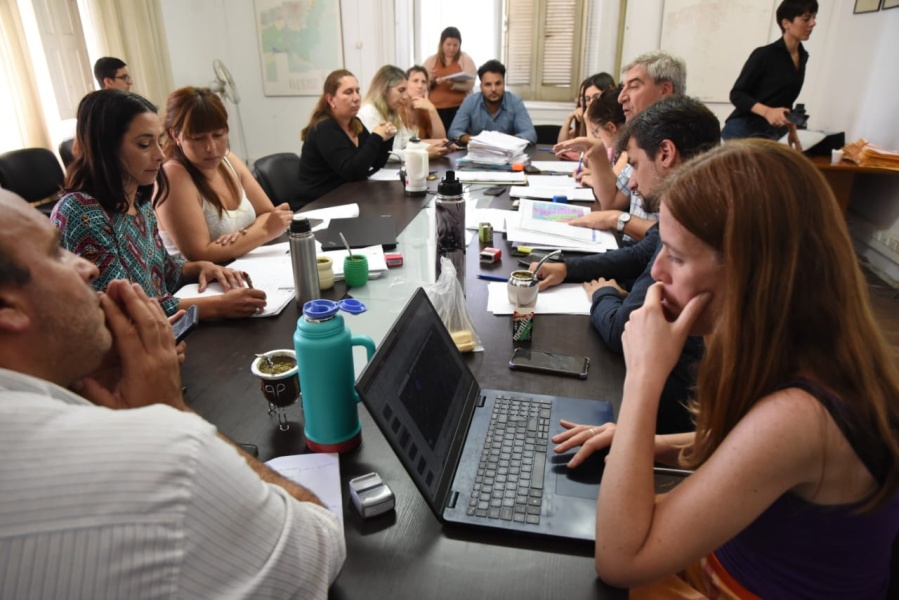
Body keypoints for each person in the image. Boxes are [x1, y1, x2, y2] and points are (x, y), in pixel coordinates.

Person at [553, 139, 899, 597]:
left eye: (675, 256)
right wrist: (648, 443)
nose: (657, 271)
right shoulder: (808, 351)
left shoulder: (800, 418)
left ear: (752, 273)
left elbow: (620, 560)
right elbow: (737, 446)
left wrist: (643, 379)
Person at [0, 190, 346, 598]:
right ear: (9, 309)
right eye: (57, 251)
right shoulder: (169, 458)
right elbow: (318, 551)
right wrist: (171, 411)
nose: (88, 268)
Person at [534, 96, 721, 434]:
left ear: (665, 153)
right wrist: (568, 268)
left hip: (669, 408)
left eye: (633, 164)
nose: (631, 182)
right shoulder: (689, 208)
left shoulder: (699, 222)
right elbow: (640, 254)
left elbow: (623, 327)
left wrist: (604, 294)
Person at [50, 89, 266, 320]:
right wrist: (218, 306)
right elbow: (121, 308)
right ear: (107, 148)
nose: (160, 155)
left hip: (161, 335)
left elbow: (165, 272)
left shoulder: (139, 202)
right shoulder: (82, 212)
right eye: (144, 144)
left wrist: (200, 268)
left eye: (158, 142)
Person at [554, 50, 685, 243]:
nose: (621, 97)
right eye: (623, 88)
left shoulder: (685, 141)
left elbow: (673, 238)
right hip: (631, 251)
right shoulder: (638, 134)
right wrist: (598, 152)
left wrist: (616, 218)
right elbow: (612, 201)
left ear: (665, 90)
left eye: (633, 87)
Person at [155, 87, 293, 262]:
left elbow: (268, 214)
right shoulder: (173, 176)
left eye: (218, 135)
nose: (211, 148)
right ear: (176, 135)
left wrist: (241, 238)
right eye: (198, 138)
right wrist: (263, 232)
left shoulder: (228, 160)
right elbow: (200, 254)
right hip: (197, 284)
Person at [722, 0, 817, 151]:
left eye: (814, 17)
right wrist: (767, 112)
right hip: (744, 130)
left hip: (773, 133)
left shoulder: (803, 56)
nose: (812, 23)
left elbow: (786, 101)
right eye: (806, 19)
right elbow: (737, 94)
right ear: (786, 23)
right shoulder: (764, 54)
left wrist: (793, 131)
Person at [297, 69, 396, 204]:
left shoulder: (355, 124)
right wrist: (376, 137)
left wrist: (386, 139)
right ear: (331, 99)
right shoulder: (324, 128)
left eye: (357, 91)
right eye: (348, 92)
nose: (356, 98)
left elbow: (375, 162)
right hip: (318, 204)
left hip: (346, 198)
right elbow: (352, 172)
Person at [357, 65, 450, 160]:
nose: (405, 97)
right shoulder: (368, 113)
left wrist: (437, 146)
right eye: (401, 90)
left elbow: (406, 142)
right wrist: (423, 153)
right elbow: (381, 153)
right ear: (385, 89)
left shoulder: (392, 111)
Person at [447, 59, 537, 145]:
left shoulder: (514, 102)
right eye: (488, 84)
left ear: (503, 84)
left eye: (498, 84)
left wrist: (504, 142)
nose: (493, 89)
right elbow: (454, 132)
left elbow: (530, 134)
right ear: (481, 87)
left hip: (507, 155)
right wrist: (479, 141)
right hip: (478, 154)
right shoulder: (470, 102)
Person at [422, 26, 478, 132]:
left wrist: (453, 85)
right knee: (438, 138)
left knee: (456, 137)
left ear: (460, 45)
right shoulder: (431, 61)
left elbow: (470, 83)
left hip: (459, 109)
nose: (452, 48)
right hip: (435, 109)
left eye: (455, 45)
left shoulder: (466, 59)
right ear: (442, 44)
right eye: (448, 45)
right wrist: (431, 80)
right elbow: (422, 85)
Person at [558, 72, 616, 143]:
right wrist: (569, 118)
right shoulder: (589, 118)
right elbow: (562, 144)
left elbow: (592, 149)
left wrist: (587, 120)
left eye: (596, 97)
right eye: (587, 99)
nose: (591, 103)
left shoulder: (613, 123)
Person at [405, 65, 451, 147]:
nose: (420, 86)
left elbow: (440, 138)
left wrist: (432, 109)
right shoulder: (397, 107)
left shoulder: (426, 108)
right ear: (405, 84)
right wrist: (432, 143)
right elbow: (403, 143)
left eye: (424, 82)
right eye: (415, 81)